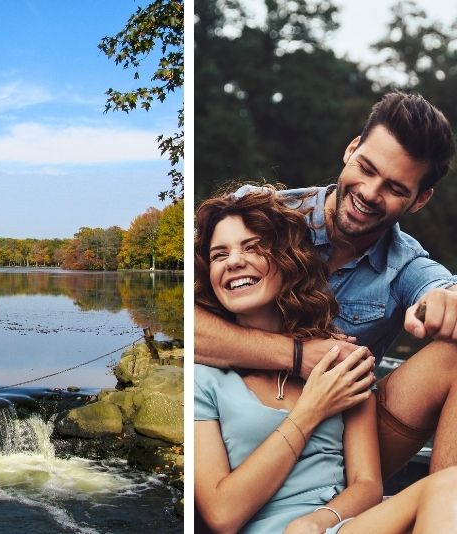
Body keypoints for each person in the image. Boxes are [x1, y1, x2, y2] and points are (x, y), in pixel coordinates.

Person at [195, 91, 457, 480]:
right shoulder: (260, 217)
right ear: (351, 149)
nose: (370, 193)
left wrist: (447, 302)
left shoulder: (407, 267)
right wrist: (298, 354)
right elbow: (188, 317)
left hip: (339, 442)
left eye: (396, 188)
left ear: (419, 200)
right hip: (239, 426)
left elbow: (444, 289)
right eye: (366, 168)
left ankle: (442, 506)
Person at [194, 188, 457, 533]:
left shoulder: (340, 361)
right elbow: (223, 515)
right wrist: (312, 409)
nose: (234, 261)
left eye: (252, 247)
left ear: (286, 259)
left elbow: (367, 485)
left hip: (340, 526)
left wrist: (318, 521)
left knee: (451, 485)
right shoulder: (204, 380)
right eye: (218, 255)